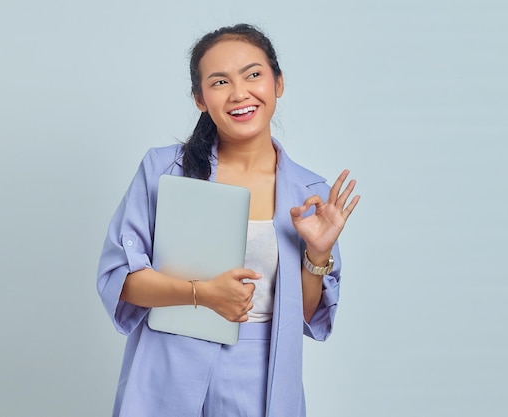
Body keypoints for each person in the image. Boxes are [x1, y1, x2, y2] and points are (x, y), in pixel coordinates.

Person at [97, 23, 360, 417]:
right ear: (200, 98)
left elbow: (302, 315)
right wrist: (202, 293)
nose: (240, 93)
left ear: (278, 83)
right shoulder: (164, 170)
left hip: (261, 373)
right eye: (219, 81)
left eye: (253, 74)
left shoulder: (310, 194)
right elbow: (122, 283)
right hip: (169, 361)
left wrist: (318, 254)